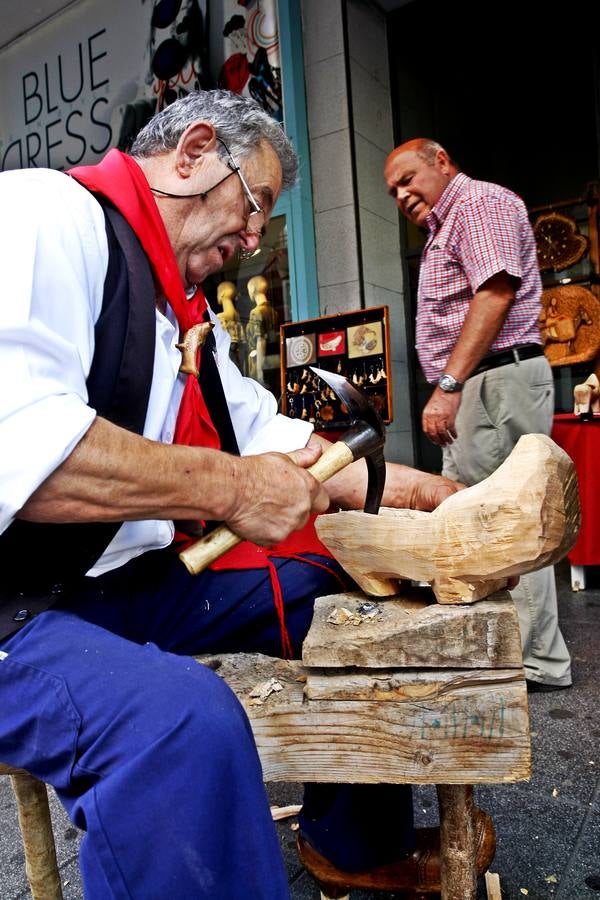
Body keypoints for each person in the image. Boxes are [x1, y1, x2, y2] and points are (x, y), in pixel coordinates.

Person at [0, 92, 463, 898]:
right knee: (180, 725)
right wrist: (232, 486)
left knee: (327, 588)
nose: (254, 241)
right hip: (12, 607)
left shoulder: (184, 319)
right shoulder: (43, 215)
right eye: (253, 206)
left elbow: (278, 442)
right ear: (194, 152)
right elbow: (24, 446)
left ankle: (350, 846)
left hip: (115, 588)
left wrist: (438, 497)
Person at [384, 138, 572, 691]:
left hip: (490, 379)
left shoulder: (477, 204)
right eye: (393, 190)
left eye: (408, 178)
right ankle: (513, 653)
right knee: (480, 516)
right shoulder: (448, 225)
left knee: (507, 518)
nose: (402, 194)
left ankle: (534, 660)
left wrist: (448, 384)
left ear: (442, 161)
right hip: (481, 382)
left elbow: (494, 294)